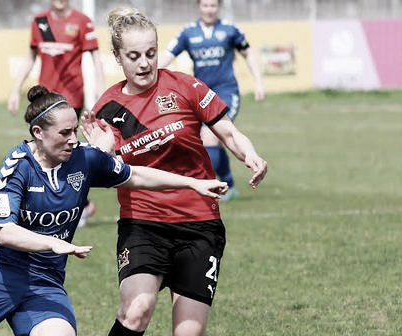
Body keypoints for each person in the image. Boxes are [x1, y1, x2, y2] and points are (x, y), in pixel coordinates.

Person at [0, 85, 229, 336]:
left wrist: (192, 184)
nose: (73, 139)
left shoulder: (85, 159)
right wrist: (53, 243)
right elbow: (3, 232)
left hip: (44, 280)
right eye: (64, 133)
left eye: (75, 130)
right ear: (38, 132)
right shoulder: (15, 167)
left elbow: (135, 175)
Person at [82, 7, 268, 336]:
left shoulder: (185, 86)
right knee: (136, 310)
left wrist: (249, 154)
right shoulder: (107, 109)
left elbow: (227, 132)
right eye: (134, 55)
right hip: (142, 223)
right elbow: (99, 169)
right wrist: (102, 153)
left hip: (199, 223)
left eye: (151, 54)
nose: (144, 63)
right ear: (118, 57)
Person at [7, 0, 106, 226]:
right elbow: (31, 57)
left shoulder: (82, 22)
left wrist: (102, 95)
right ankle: (78, 204)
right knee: (45, 152)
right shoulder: (40, 22)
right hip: (45, 100)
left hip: (70, 99)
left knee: (64, 152)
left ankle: (77, 205)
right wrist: (15, 89)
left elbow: (97, 60)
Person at [158, 0, 266, 201]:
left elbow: (248, 53)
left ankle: (205, 190)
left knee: (210, 137)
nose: (209, 9)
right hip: (199, 95)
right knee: (211, 139)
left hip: (226, 93)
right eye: (205, 5)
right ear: (199, 6)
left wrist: (259, 82)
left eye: (213, 5)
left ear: (219, 7)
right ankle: (229, 184)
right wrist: (148, 75)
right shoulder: (187, 32)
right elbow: (167, 55)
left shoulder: (230, 29)